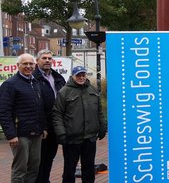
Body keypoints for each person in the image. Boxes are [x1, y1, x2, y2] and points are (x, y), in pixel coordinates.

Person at [53, 66, 107, 183]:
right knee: (69, 169)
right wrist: (61, 133)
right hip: (71, 139)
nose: (81, 77)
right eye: (78, 75)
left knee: (88, 168)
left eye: (83, 75)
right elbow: (57, 114)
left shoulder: (92, 90)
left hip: (90, 138)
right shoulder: (64, 92)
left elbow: (98, 111)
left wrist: (102, 127)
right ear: (73, 76)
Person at [0, 53, 46, 183]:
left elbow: (39, 107)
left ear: (35, 65)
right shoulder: (10, 84)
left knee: (34, 167)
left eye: (31, 64)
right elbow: (4, 111)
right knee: (20, 169)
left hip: (36, 133)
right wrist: (10, 135)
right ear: (18, 66)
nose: (28, 66)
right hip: (20, 135)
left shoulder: (35, 82)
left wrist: (43, 128)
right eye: (25, 64)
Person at [33, 50, 66, 183]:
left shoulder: (58, 78)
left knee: (49, 158)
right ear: (37, 61)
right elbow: (35, 105)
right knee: (39, 159)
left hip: (56, 126)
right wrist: (42, 127)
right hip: (42, 127)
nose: (47, 60)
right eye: (44, 58)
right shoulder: (33, 78)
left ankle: (45, 180)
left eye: (50, 58)